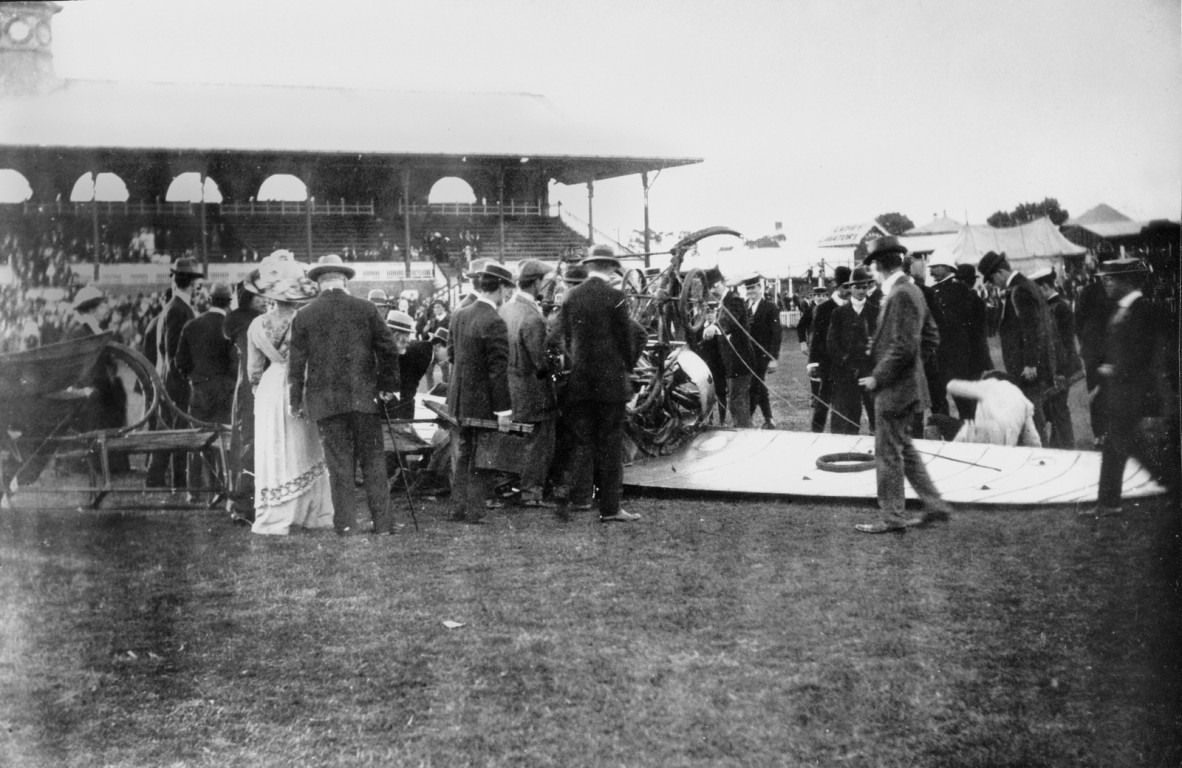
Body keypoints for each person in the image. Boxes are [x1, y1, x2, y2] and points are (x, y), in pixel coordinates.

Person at [289, 254, 401, 537]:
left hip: (325, 402)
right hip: (365, 399)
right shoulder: (366, 308)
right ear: (345, 280)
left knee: (339, 466)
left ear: (318, 283)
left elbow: (296, 363)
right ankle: (383, 525)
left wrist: (294, 400)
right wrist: (388, 386)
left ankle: (347, 525)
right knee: (374, 462)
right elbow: (388, 348)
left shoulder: (304, 315)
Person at [856, 236, 951, 534]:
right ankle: (935, 505)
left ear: (880, 265)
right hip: (908, 386)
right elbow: (930, 337)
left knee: (887, 452)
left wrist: (879, 375)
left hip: (895, 389)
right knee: (905, 449)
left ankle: (893, 517)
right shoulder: (913, 291)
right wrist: (912, 367)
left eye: (871, 266)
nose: (870, 272)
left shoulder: (900, 295)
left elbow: (903, 346)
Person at [555, 245, 644, 522]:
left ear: (590, 266)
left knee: (582, 442)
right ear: (609, 267)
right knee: (609, 444)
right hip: (610, 384)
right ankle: (611, 508)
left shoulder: (571, 296)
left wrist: (577, 362)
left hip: (580, 382)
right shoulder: (616, 296)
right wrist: (626, 367)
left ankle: (581, 498)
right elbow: (626, 340)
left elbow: (563, 337)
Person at [247, 255, 335, 535]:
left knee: (275, 446)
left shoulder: (257, 325)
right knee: (303, 444)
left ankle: (277, 510)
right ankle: (309, 510)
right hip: (300, 383)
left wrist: (257, 390)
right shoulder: (305, 319)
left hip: (271, 386)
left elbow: (254, 370)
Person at [1086, 258, 1176, 516]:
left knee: (1136, 448)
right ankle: (1109, 503)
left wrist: (1113, 369)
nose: (1106, 283)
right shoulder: (1122, 308)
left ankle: (1112, 502)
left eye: (1111, 279)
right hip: (1121, 393)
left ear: (1127, 282)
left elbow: (1145, 355)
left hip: (1135, 393)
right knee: (1119, 446)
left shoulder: (1144, 310)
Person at [446, 262, 516, 523]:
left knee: (464, 454)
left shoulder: (460, 314)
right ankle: (475, 511)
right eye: (508, 289)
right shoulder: (495, 322)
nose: (508, 295)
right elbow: (497, 372)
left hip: (459, 400)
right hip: (483, 403)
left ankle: (457, 508)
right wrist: (504, 411)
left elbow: (452, 356)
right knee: (482, 456)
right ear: (499, 287)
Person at [977, 251, 1055, 441]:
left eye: (992, 279)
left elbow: (1032, 328)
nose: (993, 285)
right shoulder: (1025, 286)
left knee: (1033, 414)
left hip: (1028, 369)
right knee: (1033, 413)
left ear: (999, 273)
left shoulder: (1019, 290)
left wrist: (1030, 363)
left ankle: (1041, 457)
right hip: (1032, 365)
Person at [499, 259, 558, 507]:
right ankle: (531, 493)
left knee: (517, 442)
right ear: (536, 283)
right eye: (543, 281)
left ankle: (511, 486)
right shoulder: (532, 317)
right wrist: (558, 362)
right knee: (539, 442)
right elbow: (541, 363)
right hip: (533, 393)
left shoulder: (506, 309)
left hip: (510, 390)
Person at [147, 257, 204, 490]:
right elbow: (174, 353)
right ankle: (170, 480)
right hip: (176, 382)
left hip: (170, 379)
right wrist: (187, 380)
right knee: (176, 432)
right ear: (192, 284)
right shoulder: (179, 310)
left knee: (170, 430)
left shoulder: (174, 308)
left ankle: (160, 479)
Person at [223, 274, 266, 523]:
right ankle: (243, 502)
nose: (264, 299)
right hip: (251, 387)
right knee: (249, 441)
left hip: (253, 384)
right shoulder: (243, 319)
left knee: (248, 441)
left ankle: (245, 500)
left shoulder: (239, 319)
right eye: (259, 295)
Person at [928, 252, 992, 420]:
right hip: (940, 359)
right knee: (939, 401)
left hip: (957, 359)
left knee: (965, 404)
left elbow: (970, 329)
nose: (931, 271)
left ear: (948, 268)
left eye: (935, 267)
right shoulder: (933, 291)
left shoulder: (960, 291)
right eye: (930, 267)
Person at [1031, 268, 1081, 449]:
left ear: (1044, 287)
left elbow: (1066, 344)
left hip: (1062, 369)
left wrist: (1060, 372)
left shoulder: (1061, 308)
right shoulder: (1051, 307)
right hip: (1054, 369)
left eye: (1036, 290)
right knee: (1053, 409)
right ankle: (1059, 444)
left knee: (1059, 409)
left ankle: (1067, 447)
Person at [826, 267, 877, 435]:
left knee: (876, 417)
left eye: (864, 287)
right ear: (850, 288)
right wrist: (845, 359)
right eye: (857, 287)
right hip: (846, 372)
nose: (861, 291)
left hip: (870, 372)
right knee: (848, 419)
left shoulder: (876, 312)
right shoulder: (839, 313)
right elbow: (832, 342)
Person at [703, 268, 755, 428]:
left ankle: (744, 436)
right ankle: (743, 432)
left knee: (737, 402)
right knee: (735, 401)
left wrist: (714, 327)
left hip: (741, 362)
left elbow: (730, 320)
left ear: (723, 283)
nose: (713, 290)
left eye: (715, 286)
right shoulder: (722, 303)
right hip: (731, 364)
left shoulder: (734, 301)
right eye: (710, 287)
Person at [1073, 256, 1116, 444]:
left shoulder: (1114, 292)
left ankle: (1106, 433)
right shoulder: (1097, 292)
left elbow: (1078, 320)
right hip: (1100, 350)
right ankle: (1103, 433)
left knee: (1104, 390)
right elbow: (1078, 320)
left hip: (1103, 349)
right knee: (1101, 390)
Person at [937, 371, 1042, 447]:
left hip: (982, 432)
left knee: (960, 439)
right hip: (1008, 440)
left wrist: (950, 383)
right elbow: (1033, 439)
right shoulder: (1023, 399)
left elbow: (952, 386)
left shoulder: (989, 384)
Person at [806, 267, 849, 432]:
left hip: (847, 364)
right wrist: (813, 363)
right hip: (828, 364)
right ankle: (816, 432)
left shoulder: (854, 306)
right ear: (837, 287)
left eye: (850, 286)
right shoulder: (824, 308)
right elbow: (816, 338)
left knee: (847, 403)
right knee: (823, 400)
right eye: (844, 287)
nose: (848, 290)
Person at [743, 275, 782, 429]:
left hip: (762, 356)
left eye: (753, 287)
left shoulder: (770, 307)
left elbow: (776, 334)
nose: (750, 291)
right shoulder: (744, 307)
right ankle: (769, 419)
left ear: (760, 287)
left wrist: (773, 358)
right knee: (759, 386)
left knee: (754, 386)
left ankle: (747, 419)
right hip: (746, 356)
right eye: (748, 288)